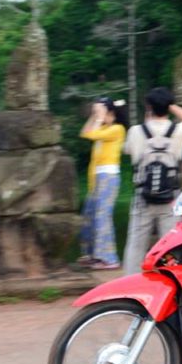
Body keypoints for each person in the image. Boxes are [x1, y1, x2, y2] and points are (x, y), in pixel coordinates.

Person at [121, 87, 182, 274]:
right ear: (168, 106)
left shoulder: (136, 131)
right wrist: (170, 105)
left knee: (136, 245)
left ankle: (129, 286)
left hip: (142, 197)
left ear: (148, 107)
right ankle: (173, 284)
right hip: (171, 197)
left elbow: (127, 150)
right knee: (171, 245)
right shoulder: (178, 131)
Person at [78, 97, 129, 270]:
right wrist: (94, 116)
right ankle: (92, 255)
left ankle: (109, 258)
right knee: (89, 215)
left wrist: (98, 117)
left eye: (102, 112)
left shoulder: (117, 129)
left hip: (108, 177)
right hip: (97, 177)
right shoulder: (104, 128)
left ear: (111, 113)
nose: (99, 115)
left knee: (102, 217)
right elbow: (85, 133)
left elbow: (92, 135)